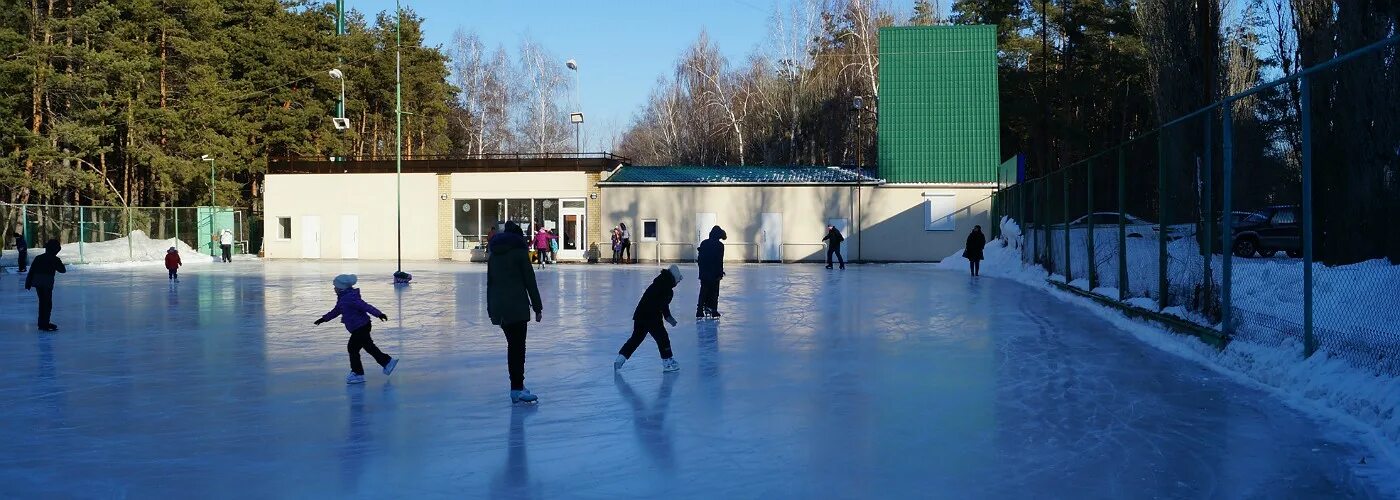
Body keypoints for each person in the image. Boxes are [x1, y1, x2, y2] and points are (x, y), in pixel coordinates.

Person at [487, 221, 544, 404]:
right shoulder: (520, 253)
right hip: (516, 307)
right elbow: (530, 281)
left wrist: (490, 308)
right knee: (518, 348)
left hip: (500, 308)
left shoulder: (494, 254)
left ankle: (516, 387)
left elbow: (490, 284)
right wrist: (538, 307)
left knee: (513, 346)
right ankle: (517, 388)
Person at [314, 274, 397, 385]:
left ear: (341, 288)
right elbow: (336, 311)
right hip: (359, 327)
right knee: (368, 347)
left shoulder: (351, 298)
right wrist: (323, 319)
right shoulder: (343, 298)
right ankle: (386, 362)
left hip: (361, 327)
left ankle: (358, 373)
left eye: (335, 287)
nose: (334, 289)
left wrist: (379, 314)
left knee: (352, 348)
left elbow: (365, 306)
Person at [614, 265, 683, 372]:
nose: (677, 284)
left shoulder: (658, 282)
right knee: (663, 338)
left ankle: (621, 358)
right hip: (652, 317)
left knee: (636, 339)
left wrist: (667, 317)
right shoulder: (667, 289)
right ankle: (667, 362)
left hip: (640, 315)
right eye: (678, 281)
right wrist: (668, 317)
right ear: (674, 278)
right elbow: (663, 305)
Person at [23, 239, 65, 332]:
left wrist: (28, 283)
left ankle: (42, 323)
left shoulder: (39, 257)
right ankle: (44, 323)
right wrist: (58, 263)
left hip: (38, 283)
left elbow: (32, 271)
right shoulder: (55, 259)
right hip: (47, 283)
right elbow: (62, 270)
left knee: (42, 302)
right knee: (47, 303)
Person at [696, 225, 726, 319]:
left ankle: (699, 311)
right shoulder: (720, 246)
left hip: (704, 272)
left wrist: (701, 271)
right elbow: (719, 260)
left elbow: (700, 259)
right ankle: (714, 310)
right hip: (714, 273)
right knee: (714, 292)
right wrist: (720, 273)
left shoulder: (704, 243)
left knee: (703, 291)